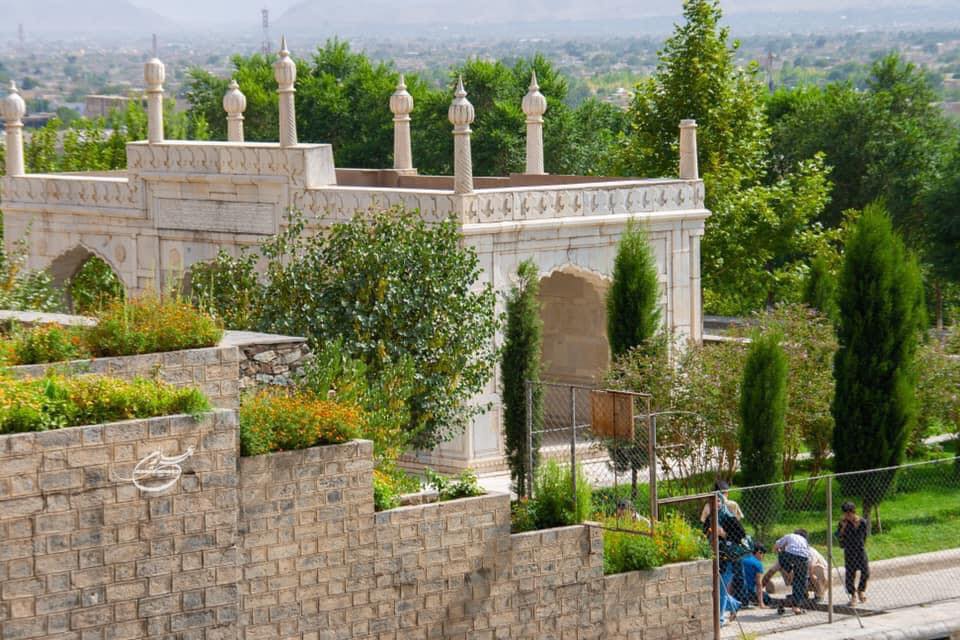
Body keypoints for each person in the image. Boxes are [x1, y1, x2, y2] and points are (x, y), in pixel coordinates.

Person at [837, 501, 870, 605]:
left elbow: (864, 537)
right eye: (845, 513)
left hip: (860, 550)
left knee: (865, 571)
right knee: (850, 574)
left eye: (849, 513)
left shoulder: (862, 522)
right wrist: (843, 527)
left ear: (853, 512)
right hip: (849, 550)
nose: (847, 515)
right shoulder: (843, 523)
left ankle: (861, 590)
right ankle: (853, 595)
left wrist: (861, 545)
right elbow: (839, 537)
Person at [773, 530, 810, 614]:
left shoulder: (789, 535)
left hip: (791, 556)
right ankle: (796, 607)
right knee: (799, 581)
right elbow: (807, 555)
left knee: (781, 554)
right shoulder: (804, 541)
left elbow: (776, 546)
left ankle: (789, 571)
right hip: (804, 559)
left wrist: (778, 550)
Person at [741, 543, 768, 609]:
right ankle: (755, 601)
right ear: (759, 552)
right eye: (763, 554)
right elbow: (759, 584)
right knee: (767, 597)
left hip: (738, 591)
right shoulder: (758, 564)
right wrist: (761, 603)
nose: (763, 556)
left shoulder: (742, 559)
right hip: (749, 593)